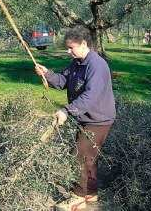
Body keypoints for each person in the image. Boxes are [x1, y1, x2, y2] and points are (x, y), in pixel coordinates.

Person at [35, 26, 116, 211]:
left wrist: (66, 111)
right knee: (89, 157)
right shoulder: (76, 63)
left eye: (71, 47)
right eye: (67, 47)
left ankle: (77, 198)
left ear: (84, 44)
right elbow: (63, 81)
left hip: (99, 119)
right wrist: (46, 74)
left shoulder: (96, 65)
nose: (68, 51)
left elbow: (90, 96)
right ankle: (91, 193)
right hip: (86, 118)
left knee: (79, 155)